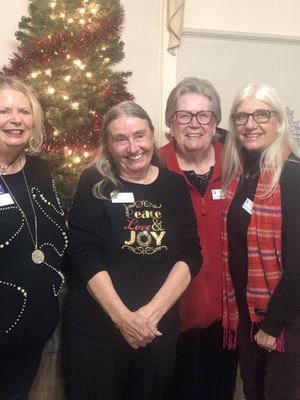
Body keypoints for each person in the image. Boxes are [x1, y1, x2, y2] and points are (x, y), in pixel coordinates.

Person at [62, 101, 201, 400]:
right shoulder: (94, 183)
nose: (132, 146)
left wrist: (150, 316)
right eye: (121, 139)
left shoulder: (174, 186)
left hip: (156, 331)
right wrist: (124, 319)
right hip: (98, 332)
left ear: (152, 136)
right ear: (108, 145)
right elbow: (84, 253)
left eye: (139, 135)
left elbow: (190, 254)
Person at [160, 77, 238, 400]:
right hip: (169, 316)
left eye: (204, 115)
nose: (194, 124)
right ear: (170, 121)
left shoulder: (237, 163)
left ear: (215, 121)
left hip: (226, 318)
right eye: (184, 115)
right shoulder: (154, 166)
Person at [222, 82, 300, 400]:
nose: (250, 124)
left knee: (278, 393)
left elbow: (298, 263)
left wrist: (273, 325)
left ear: (279, 121)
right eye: (241, 117)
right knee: (252, 390)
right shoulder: (243, 174)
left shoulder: (292, 176)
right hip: (247, 312)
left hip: (287, 318)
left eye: (261, 115)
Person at [0, 76, 67, 399]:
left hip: (30, 333)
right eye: (4, 111)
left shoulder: (40, 171)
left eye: (24, 111)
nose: (16, 119)